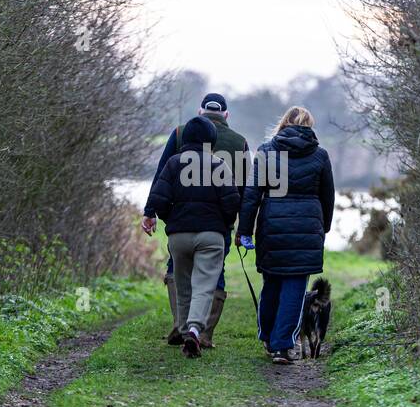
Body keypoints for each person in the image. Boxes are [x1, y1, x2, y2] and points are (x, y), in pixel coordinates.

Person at [140, 93, 249, 347]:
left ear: (199, 113)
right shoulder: (239, 143)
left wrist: (157, 214)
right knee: (213, 275)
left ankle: (182, 326)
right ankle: (202, 332)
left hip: (180, 227)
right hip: (215, 227)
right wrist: (238, 226)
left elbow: (161, 177)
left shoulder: (180, 134)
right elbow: (243, 191)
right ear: (226, 115)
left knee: (177, 272)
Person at [236, 106, 335, 365]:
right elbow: (328, 198)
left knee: (272, 283)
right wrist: (322, 229)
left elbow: (251, 195)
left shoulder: (267, 152)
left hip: (272, 228)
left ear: (283, 124)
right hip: (307, 229)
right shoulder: (320, 156)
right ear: (309, 126)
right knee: (294, 288)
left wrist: (244, 230)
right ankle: (282, 347)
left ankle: (268, 337)